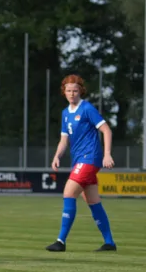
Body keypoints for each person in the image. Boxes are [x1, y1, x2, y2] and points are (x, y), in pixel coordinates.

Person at [46, 75, 116, 252]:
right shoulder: (65, 113)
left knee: (69, 191)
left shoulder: (87, 108)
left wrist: (107, 154)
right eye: (68, 90)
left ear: (80, 91)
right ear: (64, 92)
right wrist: (57, 156)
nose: (71, 94)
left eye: (75, 90)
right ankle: (109, 242)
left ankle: (60, 241)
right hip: (79, 159)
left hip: (90, 157)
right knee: (92, 200)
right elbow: (64, 140)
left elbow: (106, 130)